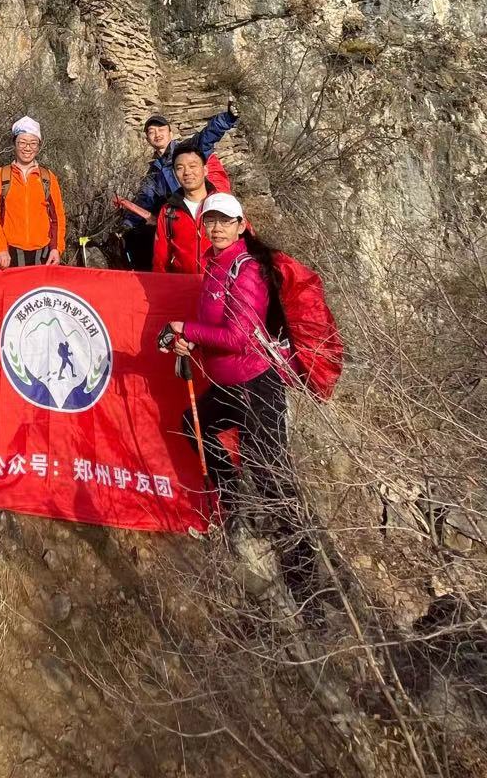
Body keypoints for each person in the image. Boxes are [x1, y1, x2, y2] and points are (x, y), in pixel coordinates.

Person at [166, 191, 323, 608]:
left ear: (241, 225)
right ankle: (236, 504)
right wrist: (190, 343)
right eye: (210, 221)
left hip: (257, 387)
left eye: (224, 221)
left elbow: (238, 337)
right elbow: (211, 327)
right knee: (192, 424)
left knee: (275, 481)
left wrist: (188, 330)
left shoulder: (247, 269)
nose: (215, 227)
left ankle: (308, 583)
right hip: (230, 386)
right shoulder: (214, 266)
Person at [120, 101, 238, 269]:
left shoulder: (186, 150)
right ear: (147, 138)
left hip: (206, 212)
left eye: (161, 130)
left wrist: (228, 117)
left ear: (170, 132)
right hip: (180, 219)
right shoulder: (153, 174)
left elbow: (207, 135)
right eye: (151, 132)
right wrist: (127, 225)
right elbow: (143, 200)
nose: (157, 134)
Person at [0, 116, 66, 268]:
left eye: (33, 143)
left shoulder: (48, 178)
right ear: (14, 144)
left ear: (39, 146)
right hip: (10, 255)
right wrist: (0, 248)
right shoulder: (1, 176)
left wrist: (56, 248)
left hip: (42, 255)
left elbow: (58, 217)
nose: (27, 148)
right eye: (22, 142)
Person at [151, 142, 233, 275]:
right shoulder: (168, 212)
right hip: (184, 288)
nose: (187, 172)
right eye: (180, 168)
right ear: (174, 173)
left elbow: (246, 247)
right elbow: (160, 259)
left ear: (205, 170)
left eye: (193, 166)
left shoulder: (223, 204)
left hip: (221, 287)